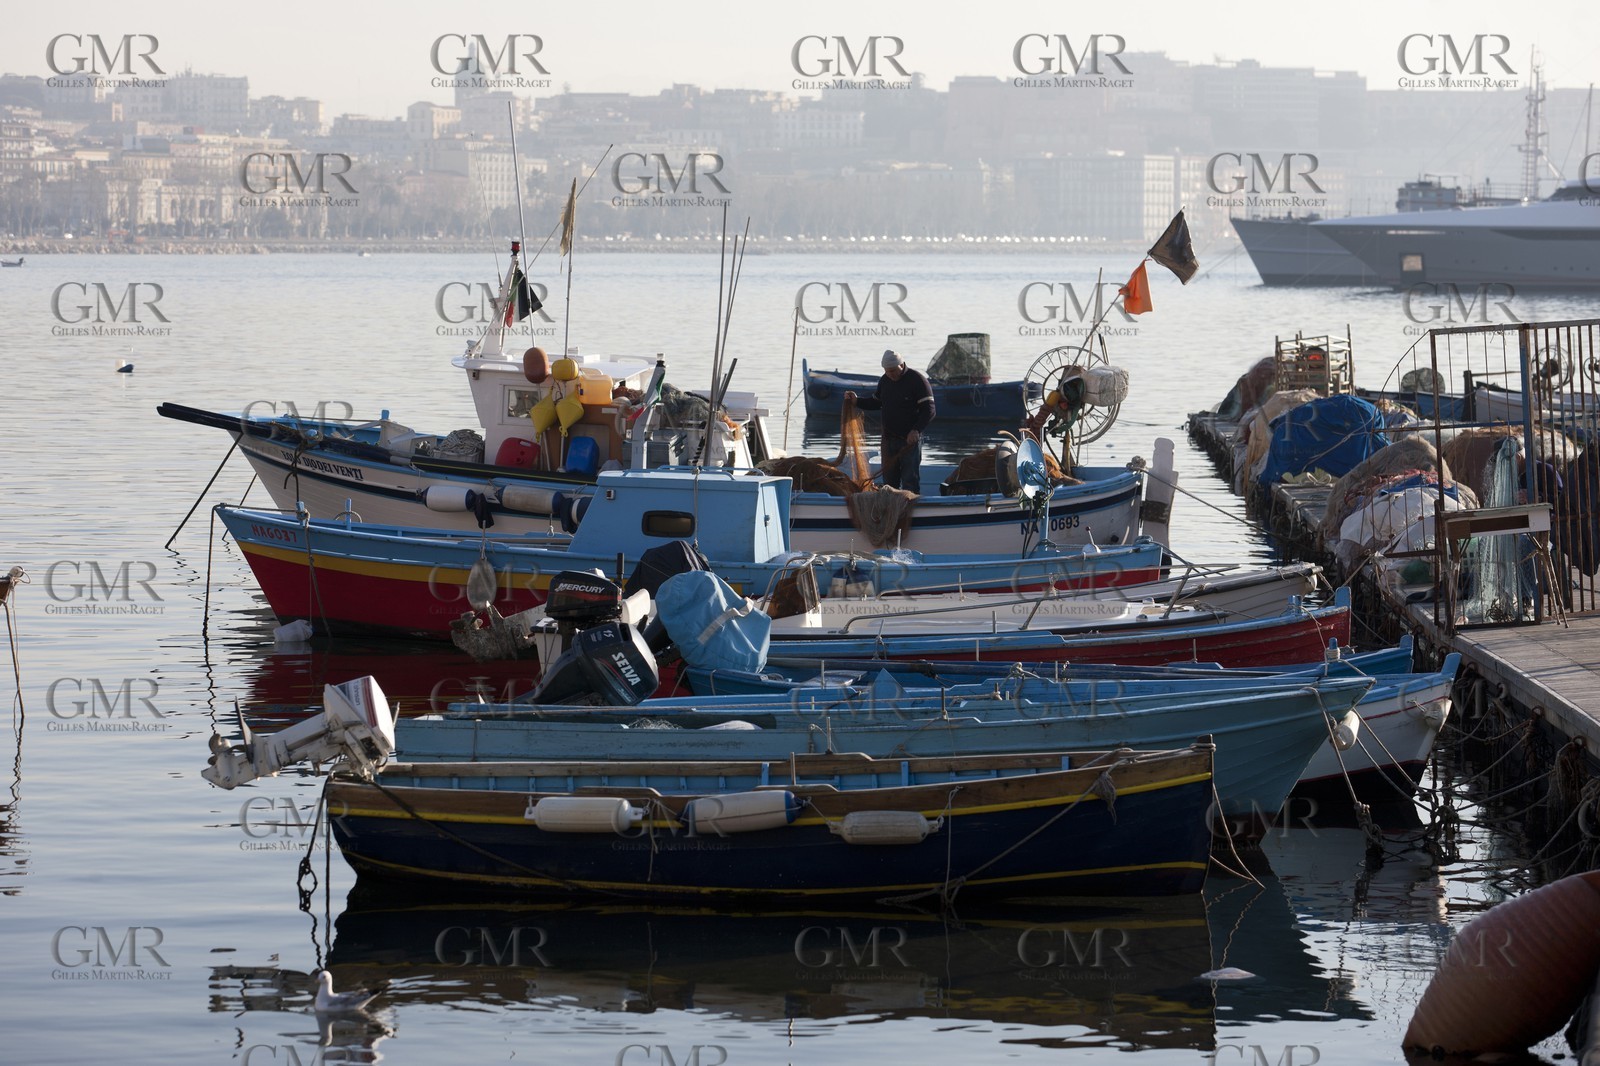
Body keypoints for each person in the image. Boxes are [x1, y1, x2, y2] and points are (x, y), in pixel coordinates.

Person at [843, 349, 936, 494]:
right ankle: (891, 510)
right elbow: (876, 402)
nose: (890, 374)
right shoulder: (885, 380)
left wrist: (916, 430)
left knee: (909, 481)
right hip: (888, 440)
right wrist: (857, 401)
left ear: (901, 365)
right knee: (889, 483)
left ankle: (910, 511)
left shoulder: (917, 380)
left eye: (893, 370)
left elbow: (929, 410)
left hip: (909, 442)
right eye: (887, 371)